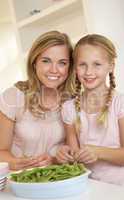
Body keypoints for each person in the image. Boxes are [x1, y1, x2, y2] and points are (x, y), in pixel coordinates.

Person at [56, 34, 124, 188]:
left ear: (110, 66)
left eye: (97, 64)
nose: (88, 72)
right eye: (82, 64)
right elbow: (74, 156)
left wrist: (98, 152)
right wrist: (66, 154)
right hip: (90, 186)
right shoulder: (69, 108)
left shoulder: (122, 103)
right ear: (75, 68)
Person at [0, 30, 73, 170]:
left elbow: (72, 152)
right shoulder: (12, 97)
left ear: (69, 67)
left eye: (62, 63)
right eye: (46, 61)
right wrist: (17, 163)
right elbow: (1, 151)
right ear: (34, 63)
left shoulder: (71, 101)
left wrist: (55, 160)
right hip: (20, 179)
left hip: (58, 178)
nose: (54, 70)